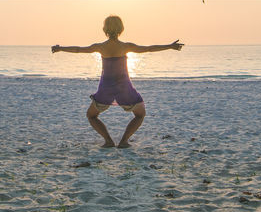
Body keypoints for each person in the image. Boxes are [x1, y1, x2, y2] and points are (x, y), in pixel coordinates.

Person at [51, 15, 183, 148]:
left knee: (91, 116)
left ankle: (108, 141)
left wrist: (60, 48)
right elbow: (149, 48)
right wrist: (170, 46)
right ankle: (124, 141)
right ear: (121, 29)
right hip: (124, 88)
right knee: (140, 114)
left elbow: (78, 50)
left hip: (106, 88)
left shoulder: (100, 47)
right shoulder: (125, 46)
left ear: (105, 29)